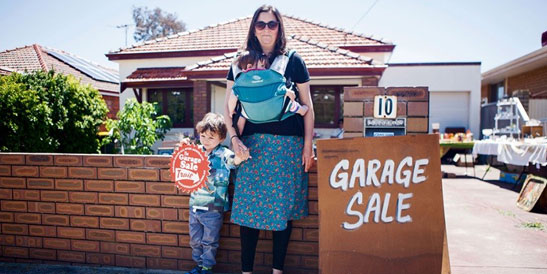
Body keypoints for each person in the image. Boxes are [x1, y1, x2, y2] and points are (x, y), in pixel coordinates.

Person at [223, 5, 314, 274]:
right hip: (252, 147)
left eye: (271, 24)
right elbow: (229, 108)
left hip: (288, 147)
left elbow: (308, 106)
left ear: (279, 27)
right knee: (248, 212)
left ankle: (277, 271)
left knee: (282, 213)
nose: (265, 29)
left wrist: (308, 145)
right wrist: (233, 139)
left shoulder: (293, 61)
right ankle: (246, 271)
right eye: (260, 24)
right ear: (253, 27)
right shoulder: (240, 63)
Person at [185, 113, 245, 274]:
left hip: (213, 208)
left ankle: (206, 267)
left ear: (221, 138)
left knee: (209, 241)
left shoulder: (224, 154)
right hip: (195, 205)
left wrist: (240, 156)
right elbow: (183, 165)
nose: (205, 140)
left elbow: (234, 161)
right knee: (195, 240)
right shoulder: (196, 152)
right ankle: (198, 265)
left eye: (211, 137)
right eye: (203, 136)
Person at [227, 50, 309, 135]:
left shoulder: (240, 81)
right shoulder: (266, 77)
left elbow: (232, 98)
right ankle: (301, 110)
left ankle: (238, 133)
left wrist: (231, 111)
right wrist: (289, 93)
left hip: (250, 114)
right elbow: (278, 89)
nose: (265, 68)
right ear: (249, 66)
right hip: (277, 110)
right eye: (262, 65)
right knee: (290, 104)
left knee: (241, 115)